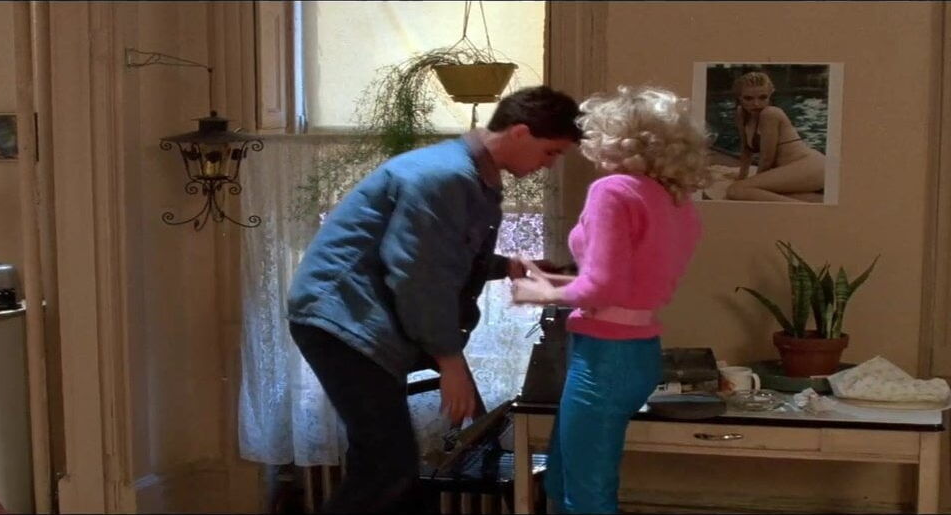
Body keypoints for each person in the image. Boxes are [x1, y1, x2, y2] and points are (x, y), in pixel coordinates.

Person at [285, 85, 582, 513]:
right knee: (388, 467)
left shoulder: (469, 175)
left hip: (359, 317)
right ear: (520, 132)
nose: (549, 164)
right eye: (550, 151)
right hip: (343, 318)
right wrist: (449, 360)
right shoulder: (445, 177)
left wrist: (510, 267)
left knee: (385, 464)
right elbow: (420, 275)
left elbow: (444, 253)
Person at [510, 85, 710, 514]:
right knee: (562, 478)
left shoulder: (613, 190)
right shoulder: (675, 201)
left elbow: (604, 289)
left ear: (617, 138)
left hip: (605, 357)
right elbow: (632, 281)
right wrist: (559, 280)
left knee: (586, 496)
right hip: (639, 352)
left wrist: (544, 293)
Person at [723, 71, 826, 202]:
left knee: (736, 190)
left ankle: (807, 212)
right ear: (739, 98)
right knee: (754, 191)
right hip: (791, 170)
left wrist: (753, 182)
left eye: (763, 97)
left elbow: (767, 159)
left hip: (809, 166)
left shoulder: (770, 114)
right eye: (748, 98)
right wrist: (742, 176)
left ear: (770, 96)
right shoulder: (741, 114)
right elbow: (746, 149)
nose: (756, 103)